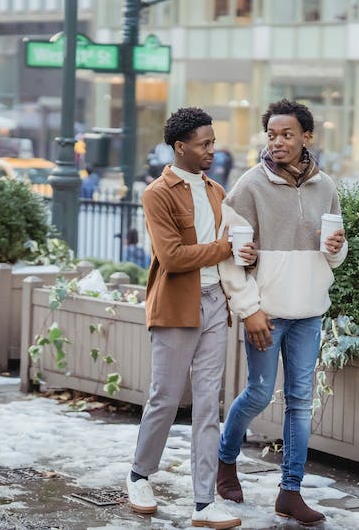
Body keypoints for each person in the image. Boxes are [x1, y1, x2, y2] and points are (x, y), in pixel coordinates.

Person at [214, 99, 347, 526]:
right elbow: (229, 258)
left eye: (287, 134)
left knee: (299, 402)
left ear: (307, 137)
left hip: (310, 310)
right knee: (257, 392)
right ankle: (225, 462)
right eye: (271, 135)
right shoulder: (249, 187)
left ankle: (290, 491)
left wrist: (337, 248)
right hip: (266, 312)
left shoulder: (325, 186)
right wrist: (250, 309)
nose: (278, 142)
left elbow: (335, 253)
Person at [127, 107, 253, 530]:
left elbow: (230, 249)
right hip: (177, 305)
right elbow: (172, 258)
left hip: (216, 302)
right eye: (204, 144)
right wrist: (224, 249)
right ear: (180, 147)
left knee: (207, 405)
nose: (212, 151)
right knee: (165, 397)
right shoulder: (157, 194)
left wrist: (243, 254)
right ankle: (139, 475)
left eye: (213, 143)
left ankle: (204, 503)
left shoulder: (218, 191)